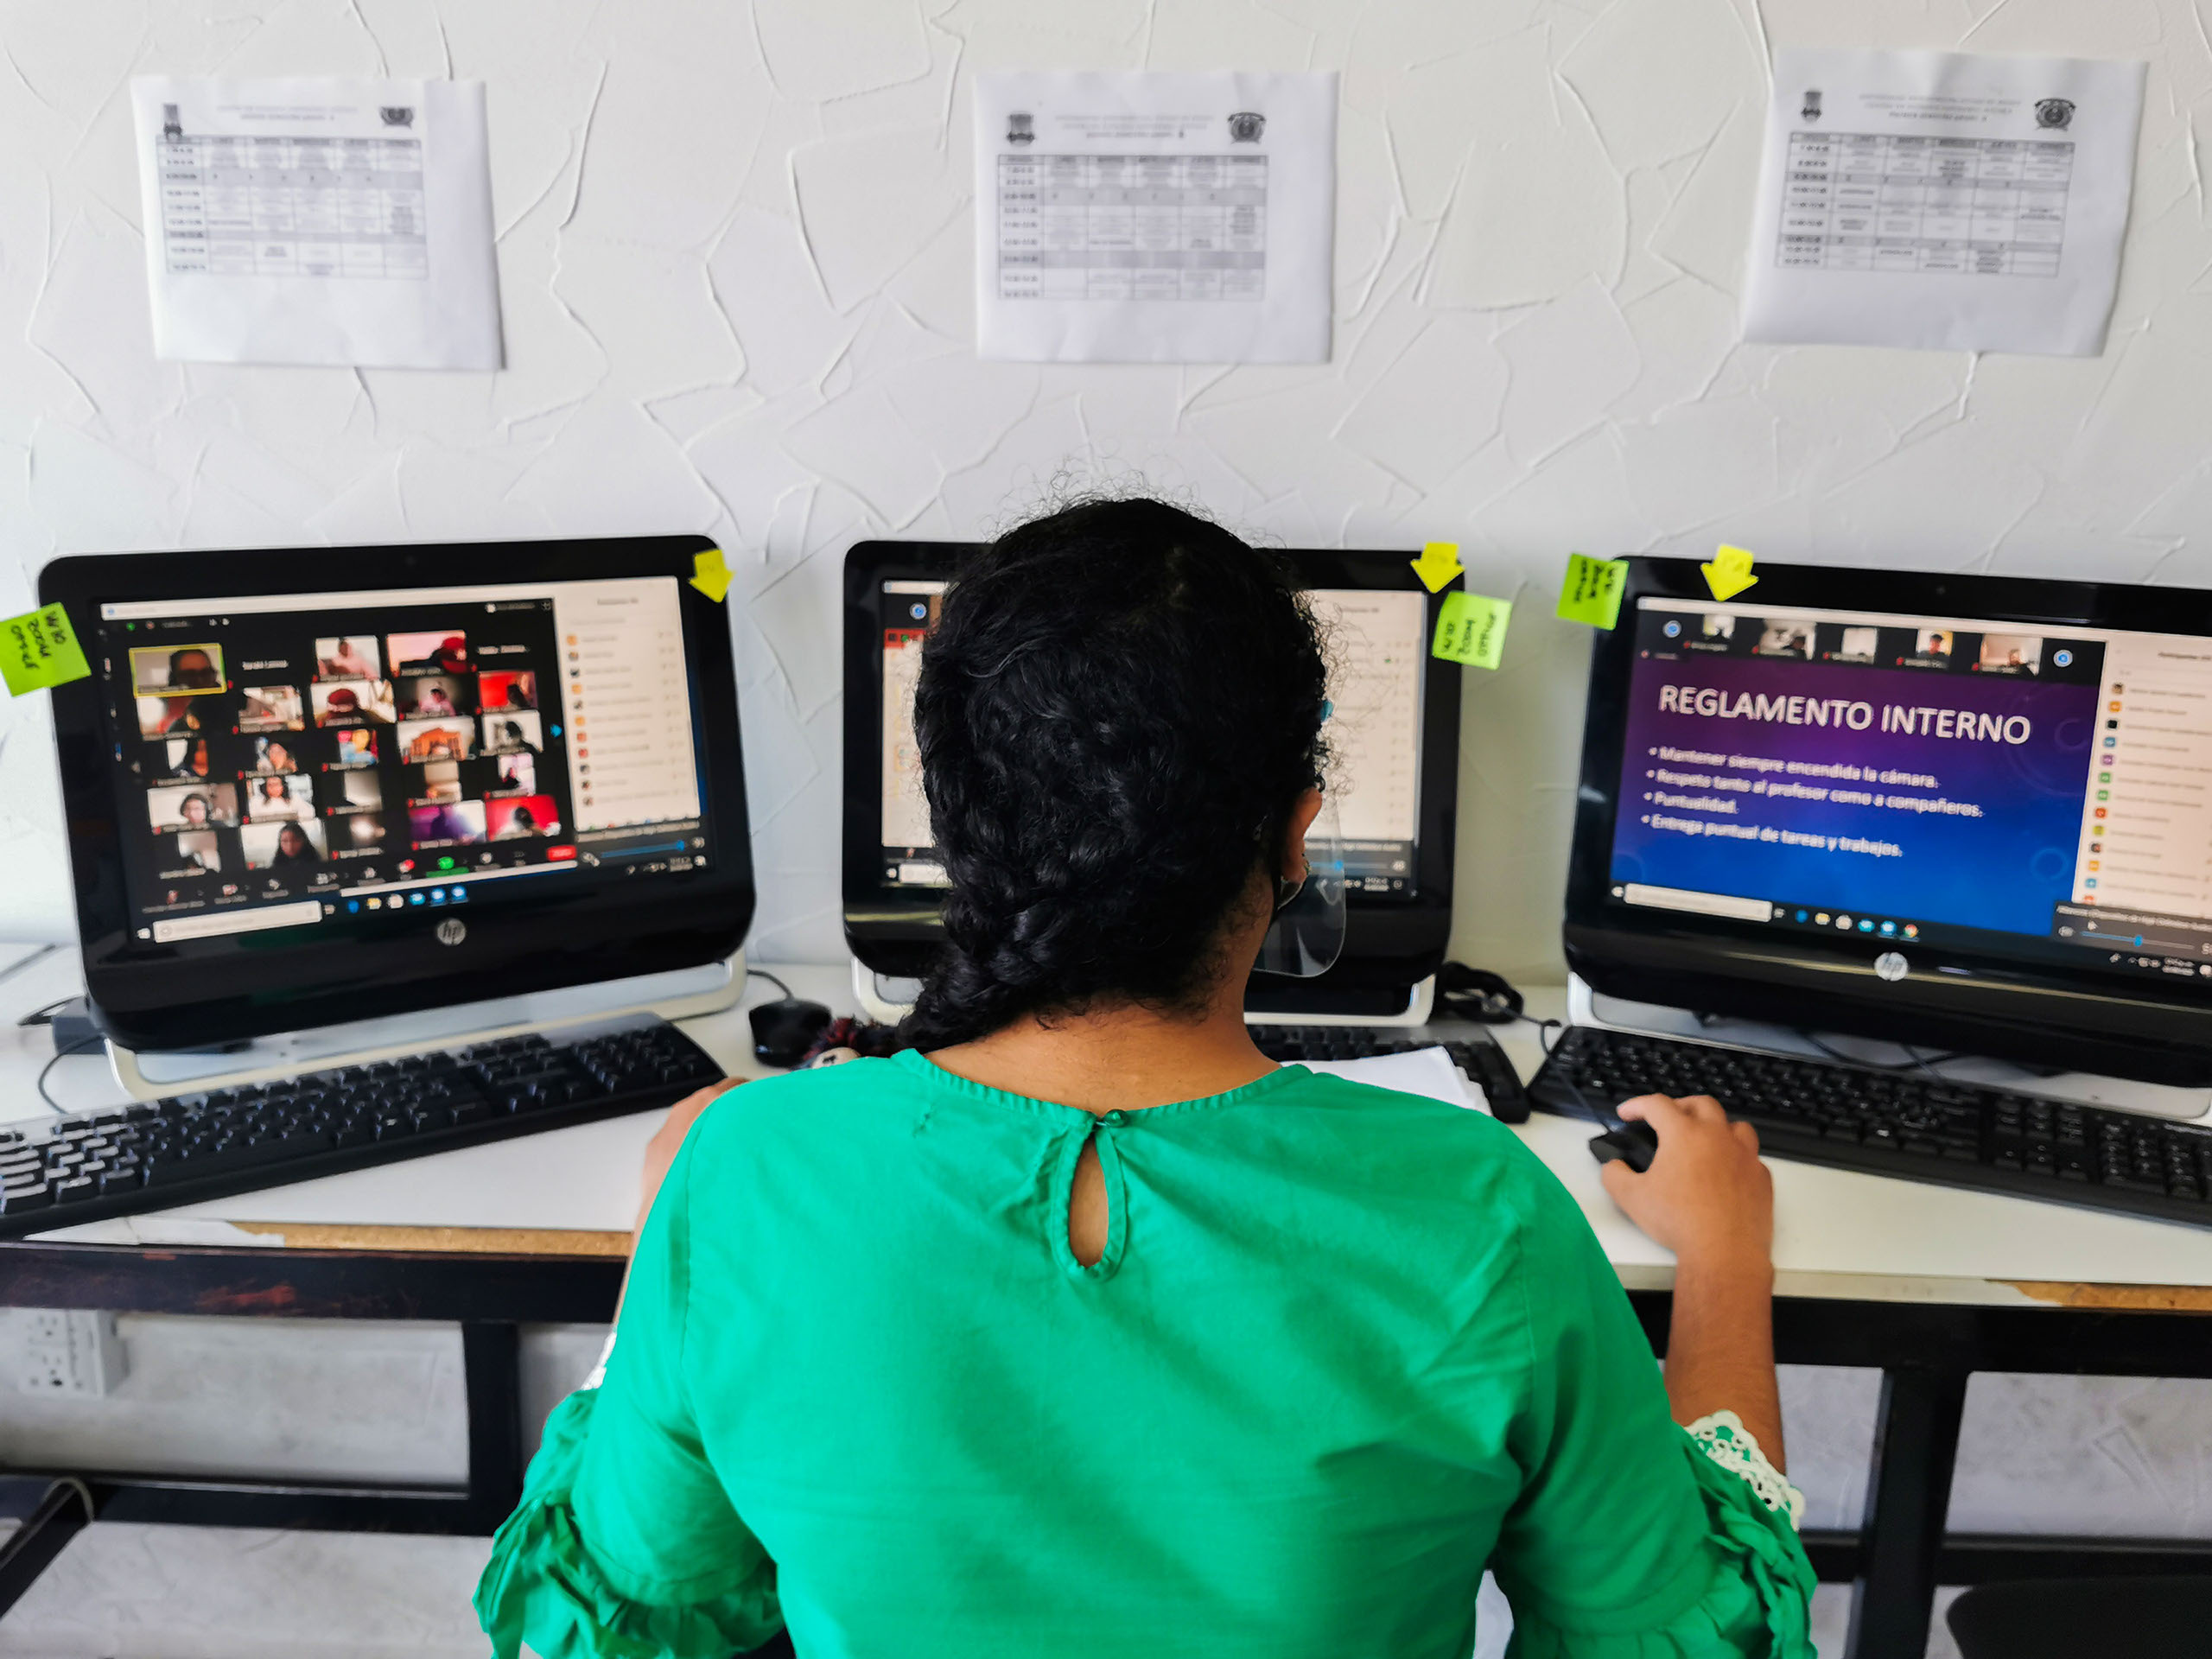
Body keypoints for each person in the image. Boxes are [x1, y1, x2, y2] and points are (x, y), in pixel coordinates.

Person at [477, 501, 1815, 1658]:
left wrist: (671, 1233)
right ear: (1294, 838)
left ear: (953, 819)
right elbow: (1685, 1632)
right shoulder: (1485, 1214)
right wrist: (1723, 1258)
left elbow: (621, 1618)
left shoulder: (746, 1174)